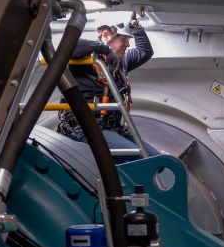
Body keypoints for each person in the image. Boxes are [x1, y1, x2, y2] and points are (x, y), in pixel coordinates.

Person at [56, 15, 158, 161]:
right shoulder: (87, 57)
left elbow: (145, 51)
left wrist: (135, 26)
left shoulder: (121, 62)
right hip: (87, 128)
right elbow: (69, 44)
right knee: (138, 158)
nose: (128, 45)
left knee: (158, 161)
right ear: (106, 35)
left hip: (113, 129)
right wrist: (105, 50)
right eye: (124, 39)